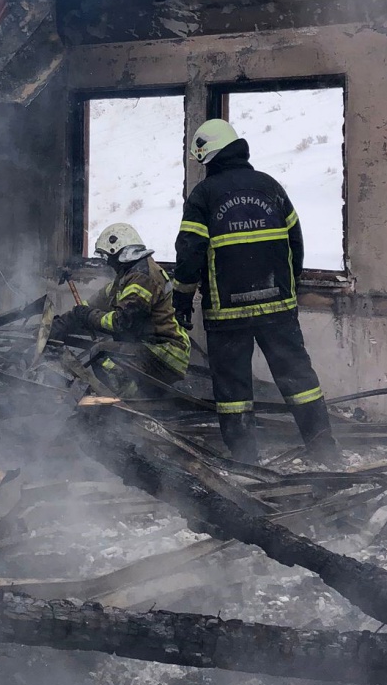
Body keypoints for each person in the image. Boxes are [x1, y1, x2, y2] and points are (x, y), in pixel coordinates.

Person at [172, 119, 340, 466]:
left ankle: (246, 461)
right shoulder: (270, 187)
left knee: (233, 391)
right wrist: (287, 287)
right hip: (278, 307)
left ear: (209, 156)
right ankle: (325, 452)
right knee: (299, 379)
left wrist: (182, 298)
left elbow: (190, 254)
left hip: (226, 313)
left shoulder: (203, 196)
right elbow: (296, 243)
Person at [49, 221, 190, 396]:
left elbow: (121, 322)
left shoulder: (142, 277)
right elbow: (95, 303)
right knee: (106, 351)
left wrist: (87, 316)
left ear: (121, 252)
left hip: (163, 351)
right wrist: (65, 322)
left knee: (101, 353)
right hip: (152, 347)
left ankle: (130, 404)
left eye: (109, 257)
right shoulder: (128, 276)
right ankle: (137, 397)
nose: (109, 263)